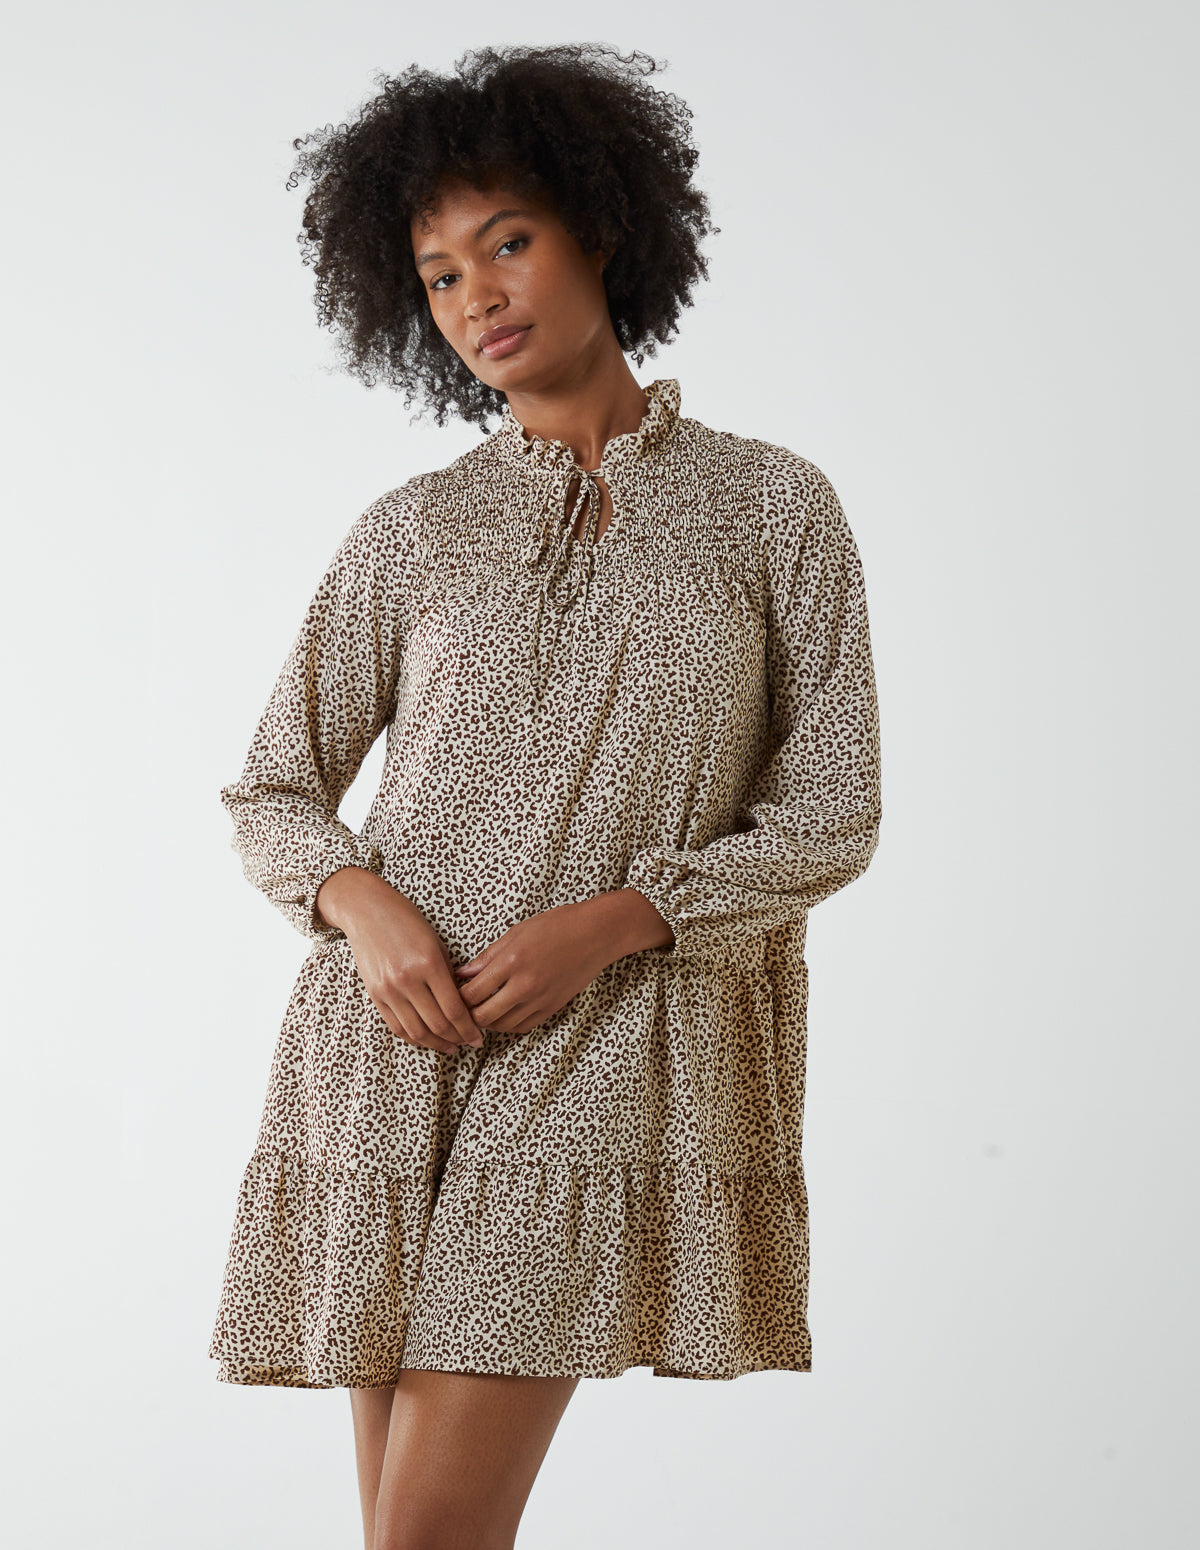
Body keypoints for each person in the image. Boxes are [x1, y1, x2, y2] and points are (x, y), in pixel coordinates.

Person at [208, 41, 884, 1550]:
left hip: (604, 1045)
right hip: (387, 1051)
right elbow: (273, 787)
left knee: (429, 1534)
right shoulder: (414, 530)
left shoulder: (773, 507)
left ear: (603, 226)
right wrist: (358, 901)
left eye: (507, 242)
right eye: (440, 276)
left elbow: (834, 807)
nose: (478, 299)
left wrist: (622, 918)